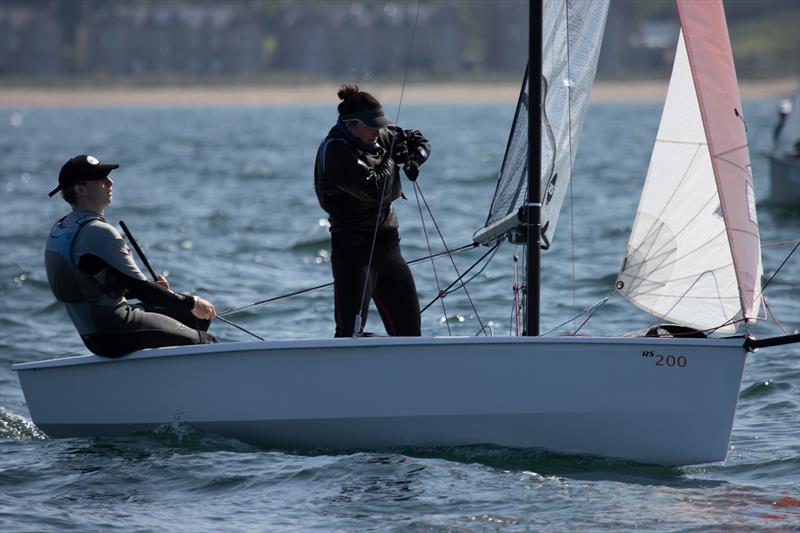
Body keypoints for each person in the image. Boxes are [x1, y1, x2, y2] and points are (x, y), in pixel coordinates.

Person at [44, 154, 218, 357]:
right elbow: (144, 291)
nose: (110, 182)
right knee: (206, 340)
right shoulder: (99, 232)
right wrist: (194, 302)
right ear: (80, 189)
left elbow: (89, 289)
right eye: (101, 179)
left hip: (93, 333)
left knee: (195, 318)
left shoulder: (61, 229)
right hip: (115, 328)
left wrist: (150, 292)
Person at [314, 85, 431, 337]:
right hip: (353, 251)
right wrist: (392, 159)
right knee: (349, 333)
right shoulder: (335, 151)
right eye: (372, 126)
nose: (378, 132)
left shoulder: (378, 136)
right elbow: (376, 190)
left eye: (380, 125)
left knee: (410, 333)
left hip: (389, 247)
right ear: (352, 125)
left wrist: (414, 157)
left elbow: (419, 140)